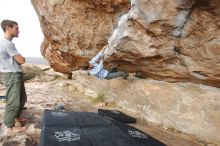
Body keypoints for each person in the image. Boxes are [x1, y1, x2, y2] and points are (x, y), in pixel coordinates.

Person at [0, 20, 27, 134]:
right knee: (13, 101)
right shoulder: (7, 43)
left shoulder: (4, 43)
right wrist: (22, 58)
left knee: (22, 99)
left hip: (13, 74)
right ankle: (10, 126)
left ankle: (16, 117)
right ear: (8, 28)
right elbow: (21, 60)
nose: (18, 30)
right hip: (12, 75)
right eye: (16, 28)